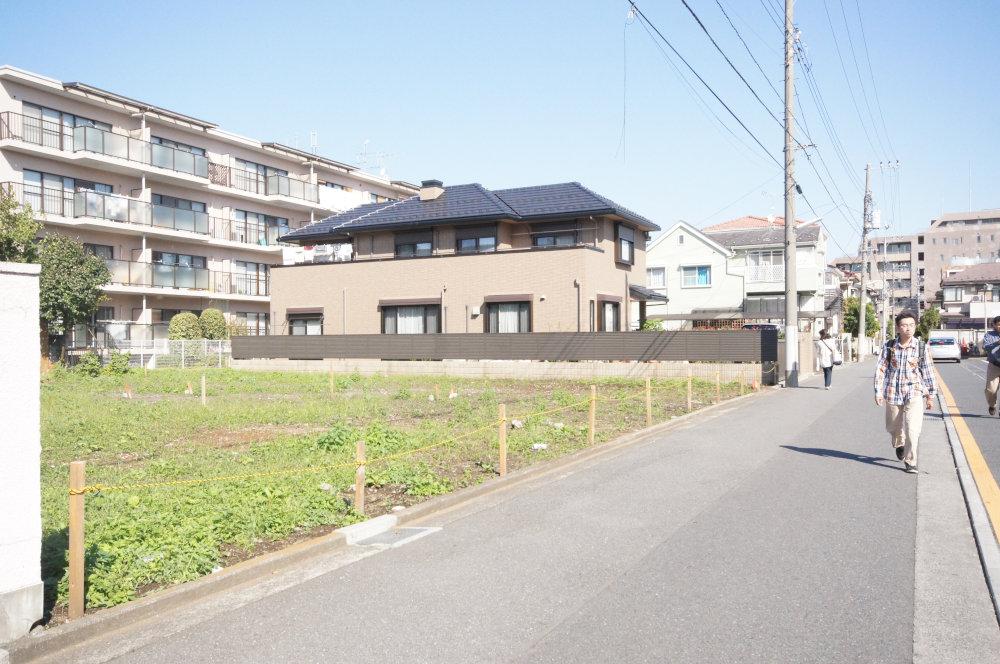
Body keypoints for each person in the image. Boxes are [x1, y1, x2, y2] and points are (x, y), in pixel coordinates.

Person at [874, 311, 937, 474]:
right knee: (893, 427)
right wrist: (878, 391)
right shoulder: (889, 346)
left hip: (914, 391)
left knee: (912, 428)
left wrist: (930, 395)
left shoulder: (921, 347)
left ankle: (911, 461)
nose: (908, 328)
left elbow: (928, 371)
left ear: (915, 326)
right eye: (904, 325)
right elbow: (881, 369)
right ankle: (899, 444)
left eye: (911, 325)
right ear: (897, 328)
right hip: (892, 392)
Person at [983, 315, 1000, 416]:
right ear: (994, 325)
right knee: (991, 390)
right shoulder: (989, 335)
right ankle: (992, 405)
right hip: (994, 365)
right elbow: (986, 347)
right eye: (998, 325)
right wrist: (997, 342)